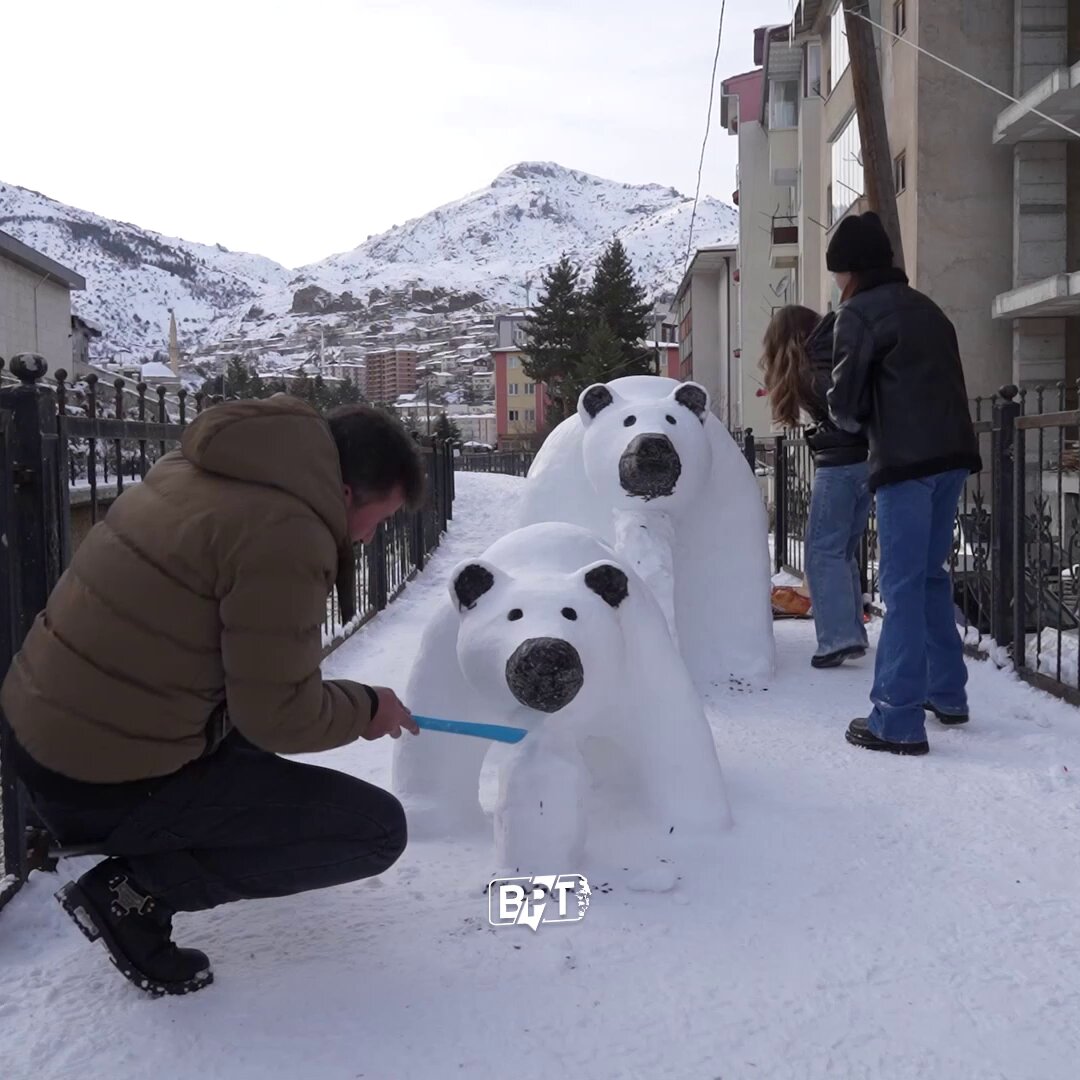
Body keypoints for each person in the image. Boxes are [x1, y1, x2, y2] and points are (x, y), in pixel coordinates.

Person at [0, 395, 424, 995]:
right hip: (97, 781)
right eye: (379, 520)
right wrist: (367, 707)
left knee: (252, 754)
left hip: (39, 736)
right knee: (374, 830)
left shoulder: (204, 467)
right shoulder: (287, 531)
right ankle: (134, 896)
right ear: (348, 493)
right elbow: (280, 716)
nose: (371, 536)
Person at [825, 211, 982, 756]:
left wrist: (843, 411)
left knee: (900, 586)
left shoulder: (859, 315)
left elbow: (845, 408)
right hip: (954, 456)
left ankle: (896, 718)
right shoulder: (929, 310)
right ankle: (948, 694)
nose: (838, 285)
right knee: (930, 577)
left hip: (905, 466)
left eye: (839, 274)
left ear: (852, 271)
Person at [761, 305, 871, 669]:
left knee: (822, 552)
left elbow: (845, 415)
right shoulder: (834, 357)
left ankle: (839, 638)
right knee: (842, 551)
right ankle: (851, 632)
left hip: (840, 464)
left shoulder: (813, 369)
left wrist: (824, 431)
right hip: (865, 462)